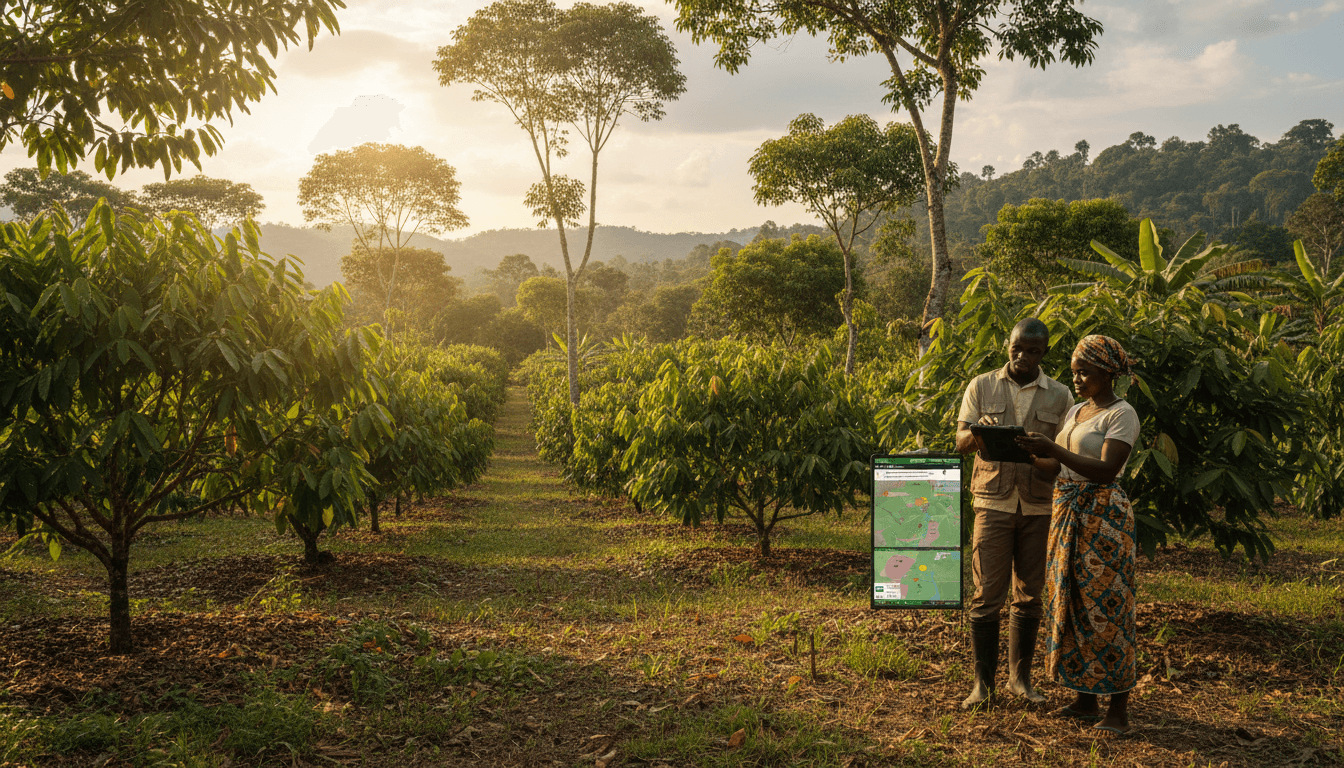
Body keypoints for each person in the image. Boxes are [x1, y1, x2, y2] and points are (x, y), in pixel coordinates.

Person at [1016, 335, 1141, 736]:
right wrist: (1025, 453)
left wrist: (1053, 447)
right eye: (1074, 372)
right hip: (1067, 509)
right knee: (1069, 602)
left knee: (1108, 609)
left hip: (1103, 517)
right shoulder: (1076, 411)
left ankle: (1117, 710)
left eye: (1084, 372)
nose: (1077, 379)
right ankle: (1085, 699)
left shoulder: (1122, 414)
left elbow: (1105, 470)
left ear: (1107, 374)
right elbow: (1058, 466)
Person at [954, 318, 1073, 709]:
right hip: (992, 502)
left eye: (1032, 350)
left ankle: (1020, 680)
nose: (1022, 356)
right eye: (1016, 348)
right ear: (1008, 344)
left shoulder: (1060, 396)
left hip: (1039, 504)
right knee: (987, 593)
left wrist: (1039, 452)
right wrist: (979, 432)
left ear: (1044, 353)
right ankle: (982, 685)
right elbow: (959, 443)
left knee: (1029, 594)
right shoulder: (981, 385)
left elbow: (1061, 458)